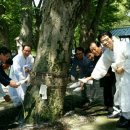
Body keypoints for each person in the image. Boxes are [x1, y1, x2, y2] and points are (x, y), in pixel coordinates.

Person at [79, 31, 130, 128]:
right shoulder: (108, 52)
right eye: (103, 41)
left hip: (128, 73)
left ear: (111, 38)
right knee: (122, 95)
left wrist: (123, 68)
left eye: (107, 39)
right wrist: (88, 78)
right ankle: (126, 116)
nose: (105, 42)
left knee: (127, 94)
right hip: (120, 76)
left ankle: (126, 117)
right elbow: (101, 67)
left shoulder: (124, 44)